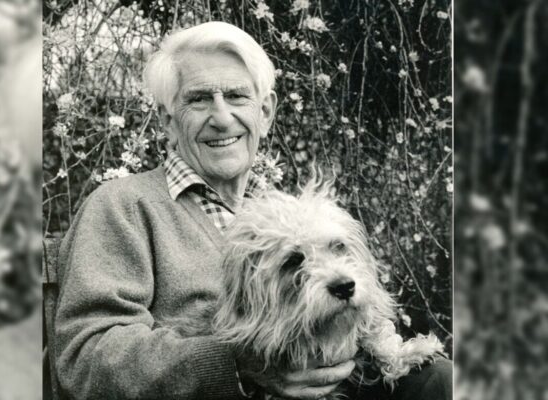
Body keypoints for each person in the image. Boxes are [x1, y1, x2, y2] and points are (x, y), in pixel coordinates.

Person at [54, 21, 451, 400]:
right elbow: (85, 358)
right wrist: (235, 366)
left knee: (440, 383)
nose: (222, 118)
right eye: (198, 99)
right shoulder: (124, 206)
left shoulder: (286, 214)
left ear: (265, 112)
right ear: (168, 121)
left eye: (237, 96)